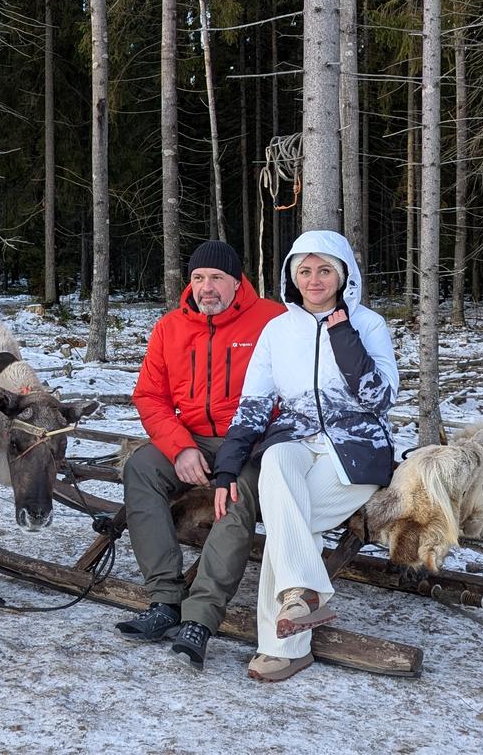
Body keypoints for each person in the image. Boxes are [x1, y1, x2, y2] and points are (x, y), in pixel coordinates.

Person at [211, 229, 398, 683]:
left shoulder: (368, 324)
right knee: (275, 461)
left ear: (343, 275)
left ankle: (284, 645)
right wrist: (226, 469)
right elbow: (254, 405)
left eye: (325, 270)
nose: (315, 280)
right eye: (305, 271)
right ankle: (306, 596)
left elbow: (380, 398)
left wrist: (343, 335)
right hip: (297, 441)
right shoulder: (278, 329)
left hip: (356, 453)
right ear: (292, 276)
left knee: (284, 528)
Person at [115, 241, 284, 669]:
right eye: (198, 278)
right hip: (188, 437)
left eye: (216, 279)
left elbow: (290, 390)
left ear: (236, 281)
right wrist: (180, 446)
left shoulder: (272, 320)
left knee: (235, 497)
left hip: (248, 442)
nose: (206, 288)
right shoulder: (170, 327)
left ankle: (201, 618)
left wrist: (245, 446)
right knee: (140, 469)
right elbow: (149, 396)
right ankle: (166, 598)